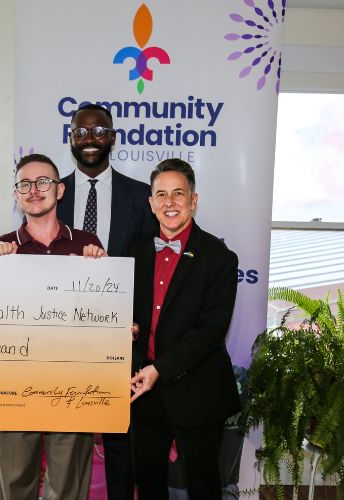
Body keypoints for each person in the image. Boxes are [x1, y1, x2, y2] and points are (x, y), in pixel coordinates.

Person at [0, 153, 106, 500]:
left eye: (43, 182)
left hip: (72, 384)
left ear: (60, 190)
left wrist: (98, 270)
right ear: (16, 194)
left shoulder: (89, 246)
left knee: (68, 486)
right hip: (14, 385)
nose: (34, 190)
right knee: (15, 484)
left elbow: (102, 318)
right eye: (25, 184)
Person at [56, 102, 156, 499]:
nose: (90, 140)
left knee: (120, 439)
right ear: (71, 139)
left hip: (123, 337)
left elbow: (150, 271)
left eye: (99, 132)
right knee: (65, 437)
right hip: (62, 336)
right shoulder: (53, 195)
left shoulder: (142, 196)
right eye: (81, 132)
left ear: (113, 138)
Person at [128, 159, 240, 499]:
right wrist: (126, 326)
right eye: (161, 194)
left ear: (193, 200)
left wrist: (159, 369)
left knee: (203, 484)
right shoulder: (134, 250)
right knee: (148, 482)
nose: (169, 203)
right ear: (151, 203)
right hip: (144, 389)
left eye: (179, 194)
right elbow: (129, 311)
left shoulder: (220, 258)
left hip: (198, 390)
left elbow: (210, 331)